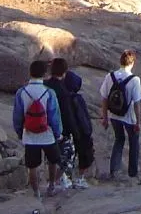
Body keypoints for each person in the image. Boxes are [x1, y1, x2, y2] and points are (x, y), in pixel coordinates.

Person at [13, 60, 63, 200]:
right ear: (45, 74)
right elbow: (54, 116)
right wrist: (57, 133)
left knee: (32, 166)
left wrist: (19, 132)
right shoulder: (49, 92)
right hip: (47, 134)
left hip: (29, 134)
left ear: (30, 73)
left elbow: (17, 115)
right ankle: (51, 186)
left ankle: (36, 193)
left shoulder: (21, 92)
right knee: (53, 161)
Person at [44, 58, 89, 190]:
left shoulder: (45, 85)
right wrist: (74, 131)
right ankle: (59, 180)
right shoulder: (63, 91)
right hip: (60, 128)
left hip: (43, 126)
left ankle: (55, 181)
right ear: (64, 72)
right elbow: (67, 113)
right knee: (67, 155)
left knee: (51, 156)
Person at [99, 49, 141, 180]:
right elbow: (137, 103)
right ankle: (133, 172)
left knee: (119, 139)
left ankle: (114, 170)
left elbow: (104, 98)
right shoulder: (134, 80)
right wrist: (138, 122)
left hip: (114, 114)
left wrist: (105, 117)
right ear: (132, 63)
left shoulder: (110, 76)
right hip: (129, 116)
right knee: (134, 142)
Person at [63, 69, 95, 187]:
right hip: (80, 131)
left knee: (68, 156)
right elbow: (82, 116)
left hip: (67, 130)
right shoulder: (77, 99)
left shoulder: (63, 97)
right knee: (84, 155)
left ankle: (66, 178)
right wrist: (87, 130)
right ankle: (80, 178)